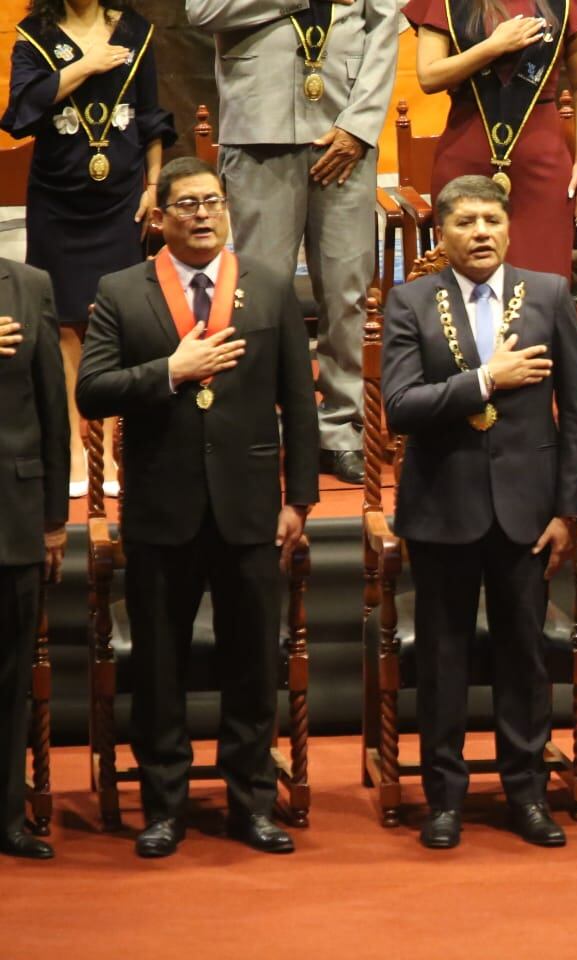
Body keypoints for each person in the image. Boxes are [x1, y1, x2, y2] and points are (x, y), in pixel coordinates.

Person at [76, 157, 320, 858]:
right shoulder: (123, 292)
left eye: (213, 202)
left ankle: (251, 803)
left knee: (252, 662)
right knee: (159, 666)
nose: (204, 215)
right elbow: (93, 392)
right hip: (162, 509)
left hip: (249, 508)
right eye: (187, 205)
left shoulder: (269, 287)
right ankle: (165, 807)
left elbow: (299, 407)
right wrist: (168, 373)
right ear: (159, 218)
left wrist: (298, 497)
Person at [381, 175, 577, 849]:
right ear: (440, 234)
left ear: (508, 229)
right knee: (441, 660)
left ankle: (526, 793)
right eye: (465, 221)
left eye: (491, 221)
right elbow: (400, 406)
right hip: (442, 505)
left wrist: (570, 511)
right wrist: (482, 382)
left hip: (527, 510)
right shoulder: (411, 300)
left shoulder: (550, 293)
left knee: (523, 657)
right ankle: (444, 797)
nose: (480, 233)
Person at [186, 0, 398, 486]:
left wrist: (360, 125)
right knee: (262, 295)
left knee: (346, 289)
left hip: (343, 132)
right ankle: (263, 423)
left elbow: (384, 28)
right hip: (259, 125)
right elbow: (202, 11)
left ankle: (342, 429)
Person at [3, 0, 175, 497]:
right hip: (58, 197)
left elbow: (150, 113)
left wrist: (154, 183)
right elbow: (21, 112)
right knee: (63, 325)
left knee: (112, 319)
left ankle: (115, 450)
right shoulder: (33, 34)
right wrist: (85, 65)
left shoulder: (135, 31)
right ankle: (76, 448)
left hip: (121, 196)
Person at [405, 0, 577, 278]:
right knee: (467, 284)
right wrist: (493, 47)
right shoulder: (444, 3)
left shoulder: (565, 4)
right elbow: (429, 76)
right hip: (464, 166)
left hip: (543, 169)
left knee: (541, 286)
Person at [0, 262, 68, 860]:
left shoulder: (29, 286)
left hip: (13, 517)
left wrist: (53, 519)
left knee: (9, 678)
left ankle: (6, 815)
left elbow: (52, 402)